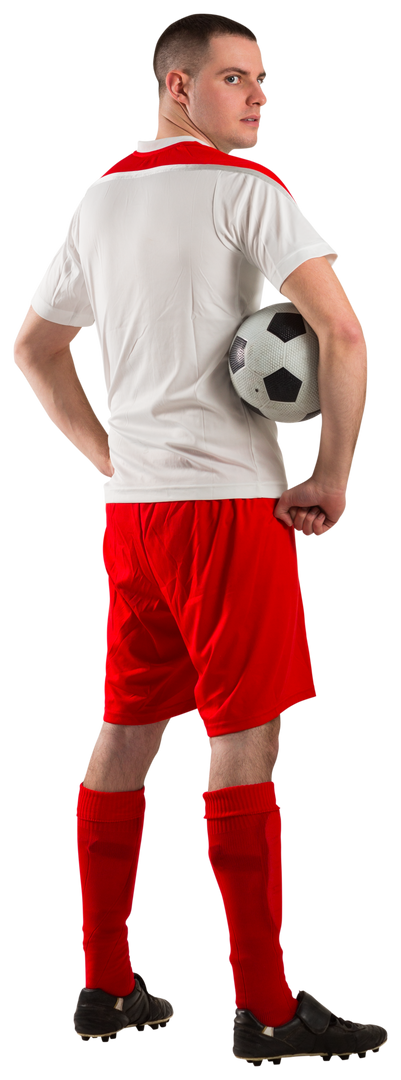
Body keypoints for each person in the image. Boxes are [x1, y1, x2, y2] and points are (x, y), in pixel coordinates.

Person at [10, 11, 389, 1066]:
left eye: (263, 80)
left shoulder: (100, 196)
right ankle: (265, 1010)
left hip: (133, 519)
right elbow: (343, 331)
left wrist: (107, 458)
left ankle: (103, 985)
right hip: (228, 510)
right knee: (242, 738)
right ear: (177, 88)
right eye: (234, 79)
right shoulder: (246, 193)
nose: (258, 98)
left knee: (126, 730)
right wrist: (327, 475)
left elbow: (35, 348)